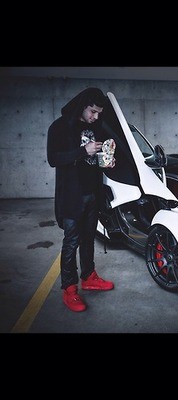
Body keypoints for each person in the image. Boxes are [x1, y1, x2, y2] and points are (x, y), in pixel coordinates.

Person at [47, 87, 115, 312]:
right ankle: (69, 288)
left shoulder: (96, 127)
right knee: (71, 241)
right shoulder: (60, 127)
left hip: (92, 193)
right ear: (82, 106)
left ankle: (88, 276)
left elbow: (96, 160)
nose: (95, 117)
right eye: (92, 111)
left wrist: (107, 161)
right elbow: (53, 159)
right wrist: (83, 151)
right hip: (71, 196)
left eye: (98, 113)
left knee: (88, 239)